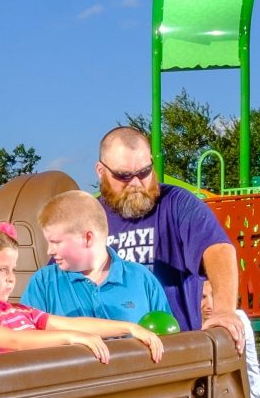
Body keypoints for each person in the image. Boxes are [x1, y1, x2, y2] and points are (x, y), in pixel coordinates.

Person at [93, 126, 241, 341]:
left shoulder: (177, 203)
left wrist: (225, 311)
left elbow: (218, 249)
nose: (136, 183)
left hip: (174, 350)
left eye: (144, 172)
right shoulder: (89, 217)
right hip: (111, 355)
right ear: (101, 171)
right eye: (124, 176)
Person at [0, 223, 166, 364]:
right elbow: (18, 341)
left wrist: (129, 327)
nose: (11, 277)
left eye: (13, 270)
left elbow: (70, 323)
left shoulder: (21, 311)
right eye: (2, 270)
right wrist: (71, 338)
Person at [20, 190, 166, 325]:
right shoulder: (44, 283)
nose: (49, 251)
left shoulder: (141, 278)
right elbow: (25, 339)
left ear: (88, 238)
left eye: (56, 242)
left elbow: (166, 338)